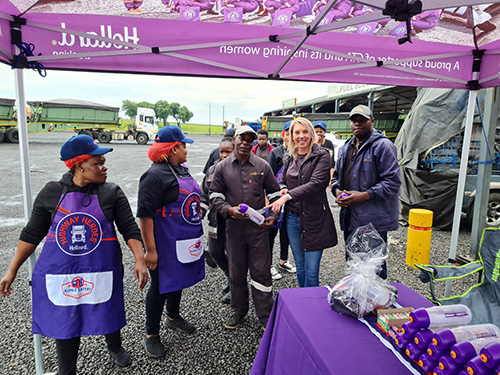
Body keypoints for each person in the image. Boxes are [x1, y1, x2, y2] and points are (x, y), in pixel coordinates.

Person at [0, 134, 148, 375]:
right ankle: (66, 371)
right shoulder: (51, 192)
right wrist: (12, 270)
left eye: (103, 162)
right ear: (79, 165)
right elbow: (31, 235)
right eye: (97, 163)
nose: (104, 167)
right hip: (63, 272)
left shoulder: (111, 192)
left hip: (101, 268)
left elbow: (129, 228)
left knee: (105, 306)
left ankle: (114, 345)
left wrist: (139, 260)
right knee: (66, 320)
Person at [137, 126, 204, 358]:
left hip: (183, 242)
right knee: (160, 286)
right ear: (174, 148)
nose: (186, 150)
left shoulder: (181, 170)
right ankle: (151, 334)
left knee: (178, 280)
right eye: (184, 146)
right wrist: (150, 251)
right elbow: (145, 216)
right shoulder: (154, 176)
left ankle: (173, 317)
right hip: (163, 244)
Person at [209, 125, 280, 330]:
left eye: (250, 139)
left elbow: (274, 195)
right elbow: (215, 196)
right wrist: (229, 210)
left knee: (261, 273)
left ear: (254, 143)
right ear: (235, 140)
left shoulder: (263, 165)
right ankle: (239, 311)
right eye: (242, 138)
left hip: (257, 229)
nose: (246, 142)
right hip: (234, 229)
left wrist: (273, 216)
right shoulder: (222, 168)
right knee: (236, 272)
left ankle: (266, 317)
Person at [331, 105, 401, 280]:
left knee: (373, 273)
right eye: (354, 120)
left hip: (372, 223)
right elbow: (335, 178)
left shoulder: (383, 146)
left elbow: (392, 182)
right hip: (350, 219)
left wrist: (364, 195)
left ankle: (375, 306)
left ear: (372, 121)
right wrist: (338, 192)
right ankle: (356, 303)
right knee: (354, 268)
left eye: (362, 120)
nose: (357, 123)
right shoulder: (345, 148)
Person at [267, 118, 337, 288]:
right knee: (300, 267)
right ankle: (304, 301)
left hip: (315, 218)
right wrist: (283, 189)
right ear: (291, 135)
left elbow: (315, 184)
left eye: (305, 132)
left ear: (312, 134)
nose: (301, 136)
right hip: (292, 218)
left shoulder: (321, 156)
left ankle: (312, 307)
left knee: (312, 270)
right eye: (296, 132)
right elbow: (283, 180)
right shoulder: (289, 156)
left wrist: (287, 196)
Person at [200, 138, 234, 304]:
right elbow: (204, 194)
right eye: (222, 151)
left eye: (228, 152)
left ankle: (236, 289)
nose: (224, 155)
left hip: (234, 222)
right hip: (215, 220)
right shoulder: (212, 170)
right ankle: (229, 276)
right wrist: (200, 211)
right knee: (215, 251)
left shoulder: (241, 171)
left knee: (234, 255)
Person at [266, 121, 296, 280]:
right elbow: (267, 177)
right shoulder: (276, 153)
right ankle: (268, 265)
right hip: (275, 199)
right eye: (289, 132)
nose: (291, 136)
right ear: (284, 134)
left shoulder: (299, 154)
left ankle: (283, 260)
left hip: (291, 200)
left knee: (286, 233)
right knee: (271, 233)